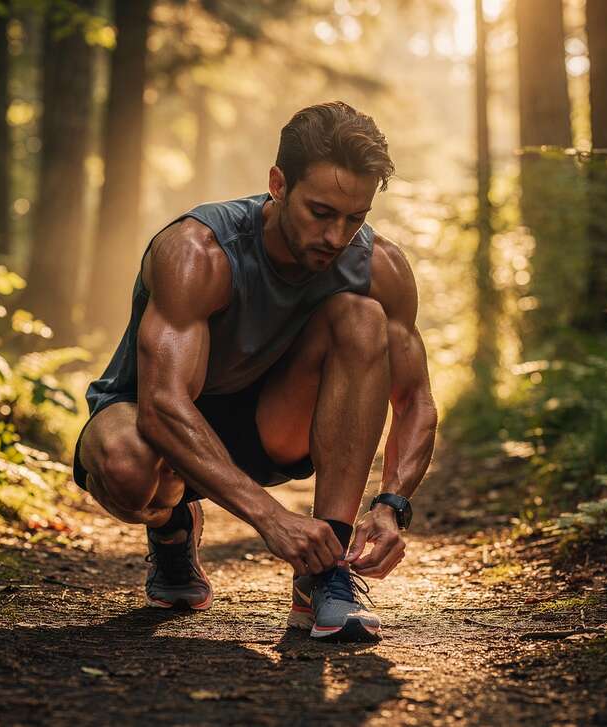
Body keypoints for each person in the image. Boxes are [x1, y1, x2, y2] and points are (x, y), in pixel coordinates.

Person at [73, 101, 437, 642]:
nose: (337, 236)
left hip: (270, 427)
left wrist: (392, 505)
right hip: (154, 422)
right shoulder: (199, 251)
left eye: (354, 218)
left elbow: (414, 401)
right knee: (129, 471)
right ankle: (173, 529)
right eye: (320, 212)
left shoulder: (379, 267)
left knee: (362, 318)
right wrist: (270, 516)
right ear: (278, 184)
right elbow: (163, 405)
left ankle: (323, 575)